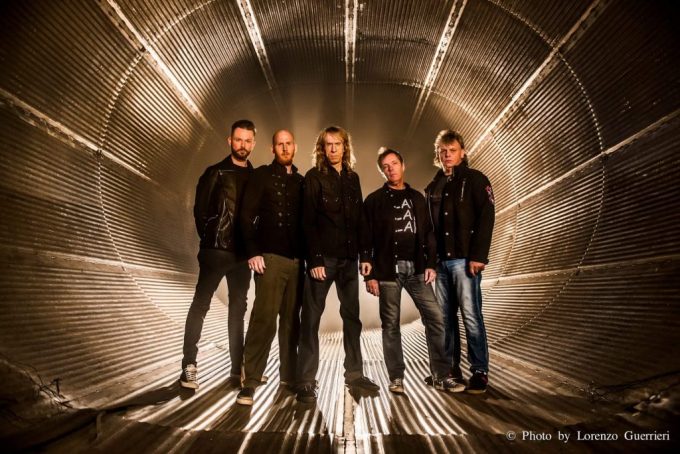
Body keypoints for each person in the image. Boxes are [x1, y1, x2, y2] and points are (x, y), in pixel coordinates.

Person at [361, 148, 464, 394]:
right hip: (387, 271)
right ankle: (396, 378)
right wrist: (369, 274)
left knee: (436, 318)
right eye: (385, 166)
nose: (391, 169)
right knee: (391, 325)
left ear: (402, 165)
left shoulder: (417, 198)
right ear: (382, 171)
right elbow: (365, 237)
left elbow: (429, 234)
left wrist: (430, 264)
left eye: (394, 163)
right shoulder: (374, 201)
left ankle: (441, 375)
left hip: (417, 270)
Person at [296, 126, 379, 403]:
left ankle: (354, 374)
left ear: (345, 147)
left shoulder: (353, 178)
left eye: (338, 144)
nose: (333, 149)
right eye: (328, 144)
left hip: (349, 260)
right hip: (324, 260)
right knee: (311, 318)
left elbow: (360, 220)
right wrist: (315, 259)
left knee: (352, 318)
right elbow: (307, 222)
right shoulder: (313, 177)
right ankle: (306, 381)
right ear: (322, 148)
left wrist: (365, 256)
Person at [179, 119, 256, 390]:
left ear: (253, 143)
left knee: (238, 312)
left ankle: (237, 370)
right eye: (238, 139)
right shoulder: (215, 173)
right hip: (216, 251)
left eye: (247, 140)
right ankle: (189, 366)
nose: (242, 145)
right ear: (230, 141)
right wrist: (210, 240)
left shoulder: (256, 177)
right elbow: (200, 211)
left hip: (242, 257)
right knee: (201, 305)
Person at [235, 130, 304, 406]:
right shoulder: (261, 175)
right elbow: (245, 216)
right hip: (270, 260)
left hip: (298, 262)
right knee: (264, 320)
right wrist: (253, 251)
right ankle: (250, 382)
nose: (284, 148)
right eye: (279, 144)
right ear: (272, 148)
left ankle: (288, 379)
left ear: (295, 147)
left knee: (291, 324)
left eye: (288, 144)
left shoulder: (302, 181)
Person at [425, 129, 495, 394]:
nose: (447, 155)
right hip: (441, 263)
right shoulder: (433, 186)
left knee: (471, 315)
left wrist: (478, 256)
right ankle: (450, 369)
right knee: (445, 318)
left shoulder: (475, 180)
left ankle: (479, 371)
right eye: (442, 151)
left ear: (462, 152)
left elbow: (486, 217)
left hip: (465, 261)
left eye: (452, 150)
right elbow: (430, 229)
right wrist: (430, 261)